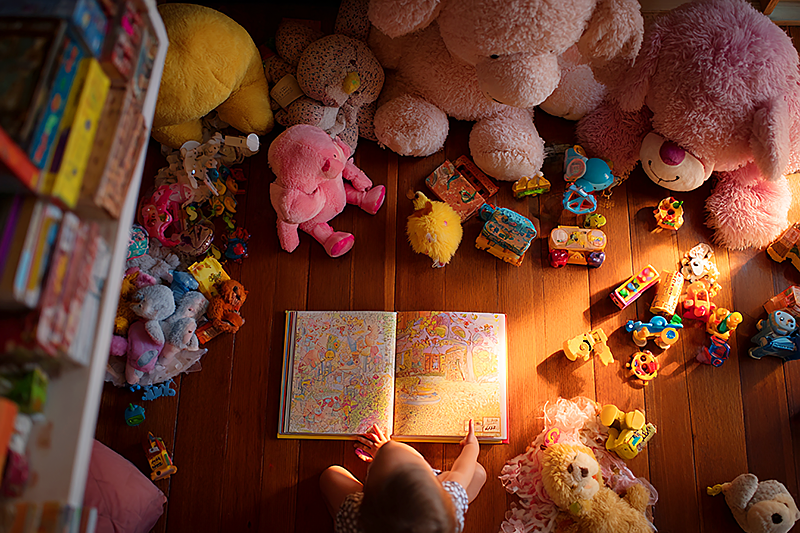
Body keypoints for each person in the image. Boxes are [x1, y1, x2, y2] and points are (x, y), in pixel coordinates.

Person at [320, 420, 486, 533]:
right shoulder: (450, 503)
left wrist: (385, 452)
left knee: (331, 475)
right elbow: (460, 473)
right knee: (477, 472)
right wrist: (471, 446)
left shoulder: (355, 515)